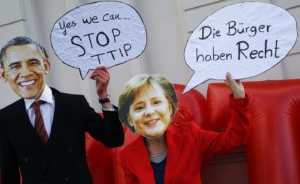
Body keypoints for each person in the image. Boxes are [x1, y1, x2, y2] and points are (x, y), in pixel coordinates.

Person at [0, 36, 124, 184]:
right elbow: (9, 174)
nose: (26, 73)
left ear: (46, 65)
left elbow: (113, 140)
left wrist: (103, 96)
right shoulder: (5, 118)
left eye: (33, 63)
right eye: (15, 66)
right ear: (4, 74)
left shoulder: (75, 104)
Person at [118, 74, 249, 184]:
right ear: (130, 119)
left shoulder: (190, 134)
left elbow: (232, 140)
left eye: (156, 102)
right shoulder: (126, 156)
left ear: (169, 108)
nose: (149, 112)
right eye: (139, 108)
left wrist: (239, 99)